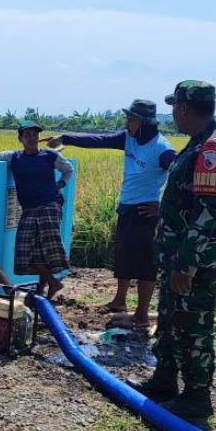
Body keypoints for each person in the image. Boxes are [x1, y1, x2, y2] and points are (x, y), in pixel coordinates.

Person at [129, 80, 216, 420]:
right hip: (178, 255)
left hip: (194, 260)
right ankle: (164, 379)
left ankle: (196, 397)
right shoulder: (197, 144)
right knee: (169, 318)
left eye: (174, 107)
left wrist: (187, 265)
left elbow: (208, 213)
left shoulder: (212, 150)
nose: (173, 113)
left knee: (192, 326)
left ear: (183, 108)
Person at [45, 99, 175, 327]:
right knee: (123, 255)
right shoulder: (129, 138)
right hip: (127, 208)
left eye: (131, 119)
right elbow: (98, 140)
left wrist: (163, 208)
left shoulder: (162, 150)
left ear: (144, 122)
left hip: (146, 213)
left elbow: (181, 179)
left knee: (145, 265)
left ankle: (142, 316)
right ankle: (119, 301)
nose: (127, 123)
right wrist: (65, 138)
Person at [0, 120, 74, 299]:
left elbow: (68, 170)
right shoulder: (14, 157)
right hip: (29, 208)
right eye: (27, 135)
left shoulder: (50, 155)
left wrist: (60, 184)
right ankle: (52, 283)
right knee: (26, 251)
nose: (32, 138)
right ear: (20, 138)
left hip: (50, 205)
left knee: (46, 246)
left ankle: (44, 288)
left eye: (35, 135)